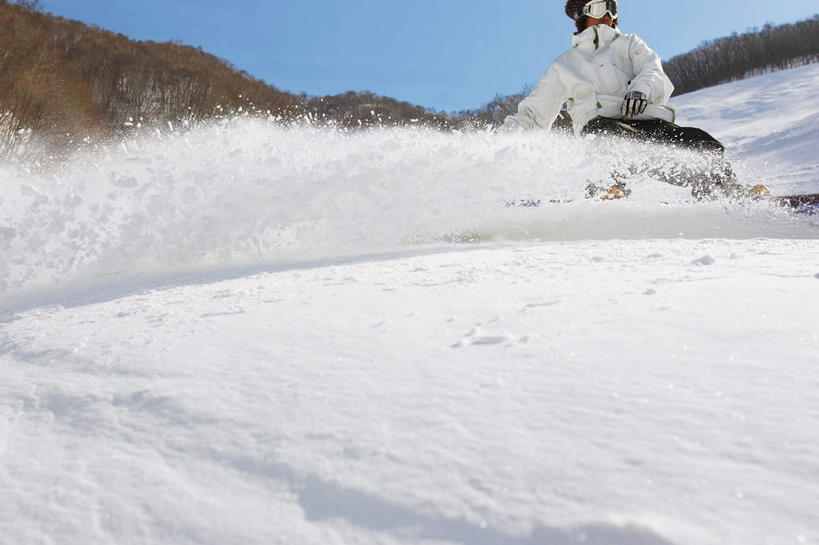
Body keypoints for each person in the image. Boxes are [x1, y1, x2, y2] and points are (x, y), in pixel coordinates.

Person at [502, 0, 763, 200]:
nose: (610, 15)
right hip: (604, 126)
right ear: (585, 14)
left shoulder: (628, 44)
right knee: (604, 135)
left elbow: (653, 70)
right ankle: (607, 190)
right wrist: (500, 142)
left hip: (646, 121)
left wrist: (640, 88)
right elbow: (535, 114)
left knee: (700, 142)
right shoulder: (566, 65)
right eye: (604, 7)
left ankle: (722, 190)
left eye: (613, 9)